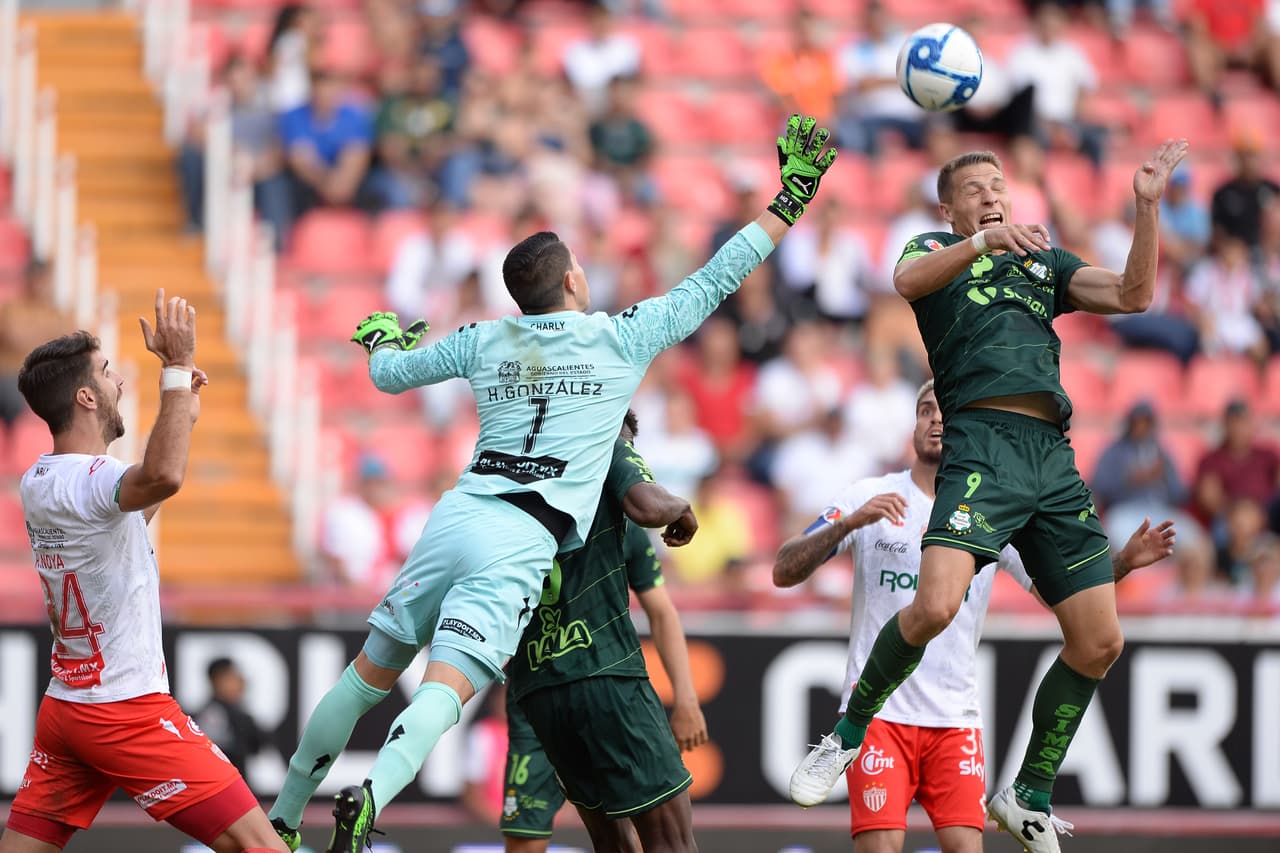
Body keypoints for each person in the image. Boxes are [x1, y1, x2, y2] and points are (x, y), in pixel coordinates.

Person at [267, 115, 837, 853]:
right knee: (449, 684)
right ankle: (371, 795)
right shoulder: (620, 336)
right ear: (573, 279)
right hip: (520, 537)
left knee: (370, 671)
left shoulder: (482, 338)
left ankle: (283, 813)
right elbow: (718, 276)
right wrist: (788, 200)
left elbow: (387, 374)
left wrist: (383, 338)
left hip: (457, 511)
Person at [788, 136, 1188, 853]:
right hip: (980, 447)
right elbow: (906, 281)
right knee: (935, 604)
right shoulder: (935, 250)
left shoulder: (1043, 261)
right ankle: (847, 732)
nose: (992, 194)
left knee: (1101, 640)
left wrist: (1145, 208)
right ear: (950, 206)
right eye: (975, 189)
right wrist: (981, 241)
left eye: (998, 185)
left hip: (1050, 458)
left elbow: (1135, 295)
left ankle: (1028, 791)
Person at [775, 381, 1174, 853]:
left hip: (955, 718)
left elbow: (1055, 596)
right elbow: (783, 570)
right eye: (925, 411)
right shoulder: (872, 495)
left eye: (946, 411)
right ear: (914, 425)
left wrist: (1122, 563)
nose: (936, 420)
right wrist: (848, 523)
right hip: (881, 717)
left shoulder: (991, 510)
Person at [0, 292, 287, 853]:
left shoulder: (40, 479)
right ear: (86, 396)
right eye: (107, 374)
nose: (119, 383)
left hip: (68, 707)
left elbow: (125, 516)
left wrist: (184, 423)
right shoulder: (87, 479)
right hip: (124, 709)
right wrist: (176, 371)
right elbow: (160, 478)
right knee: (261, 847)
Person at [502, 411, 708, 853]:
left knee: (609, 843)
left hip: (537, 687)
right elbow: (650, 506)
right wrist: (685, 509)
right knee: (672, 840)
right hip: (604, 671)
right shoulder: (609, 447)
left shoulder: (506, 475)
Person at [196, 658, 265, 780]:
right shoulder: (212, 715)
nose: (240, 682)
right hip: (220, 787)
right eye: (231, 678)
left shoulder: (240, 713)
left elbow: (257, 745)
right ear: (216, 681)